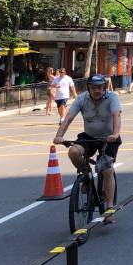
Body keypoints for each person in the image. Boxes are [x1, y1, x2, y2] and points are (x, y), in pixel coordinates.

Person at [53, 75, 122, 217]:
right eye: (94, 87)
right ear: (88, 87)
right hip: (89, 136)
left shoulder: (112, 97)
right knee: (73, 151)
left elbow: (116, 116)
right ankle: (86, 174)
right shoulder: (82, 98)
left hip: (108, 138)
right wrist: (59, 136)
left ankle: (109, 208)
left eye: (100, 87)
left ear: (104, 87)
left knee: (107, 170)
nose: (97, 90)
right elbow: (68, 119)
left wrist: (115, 134)